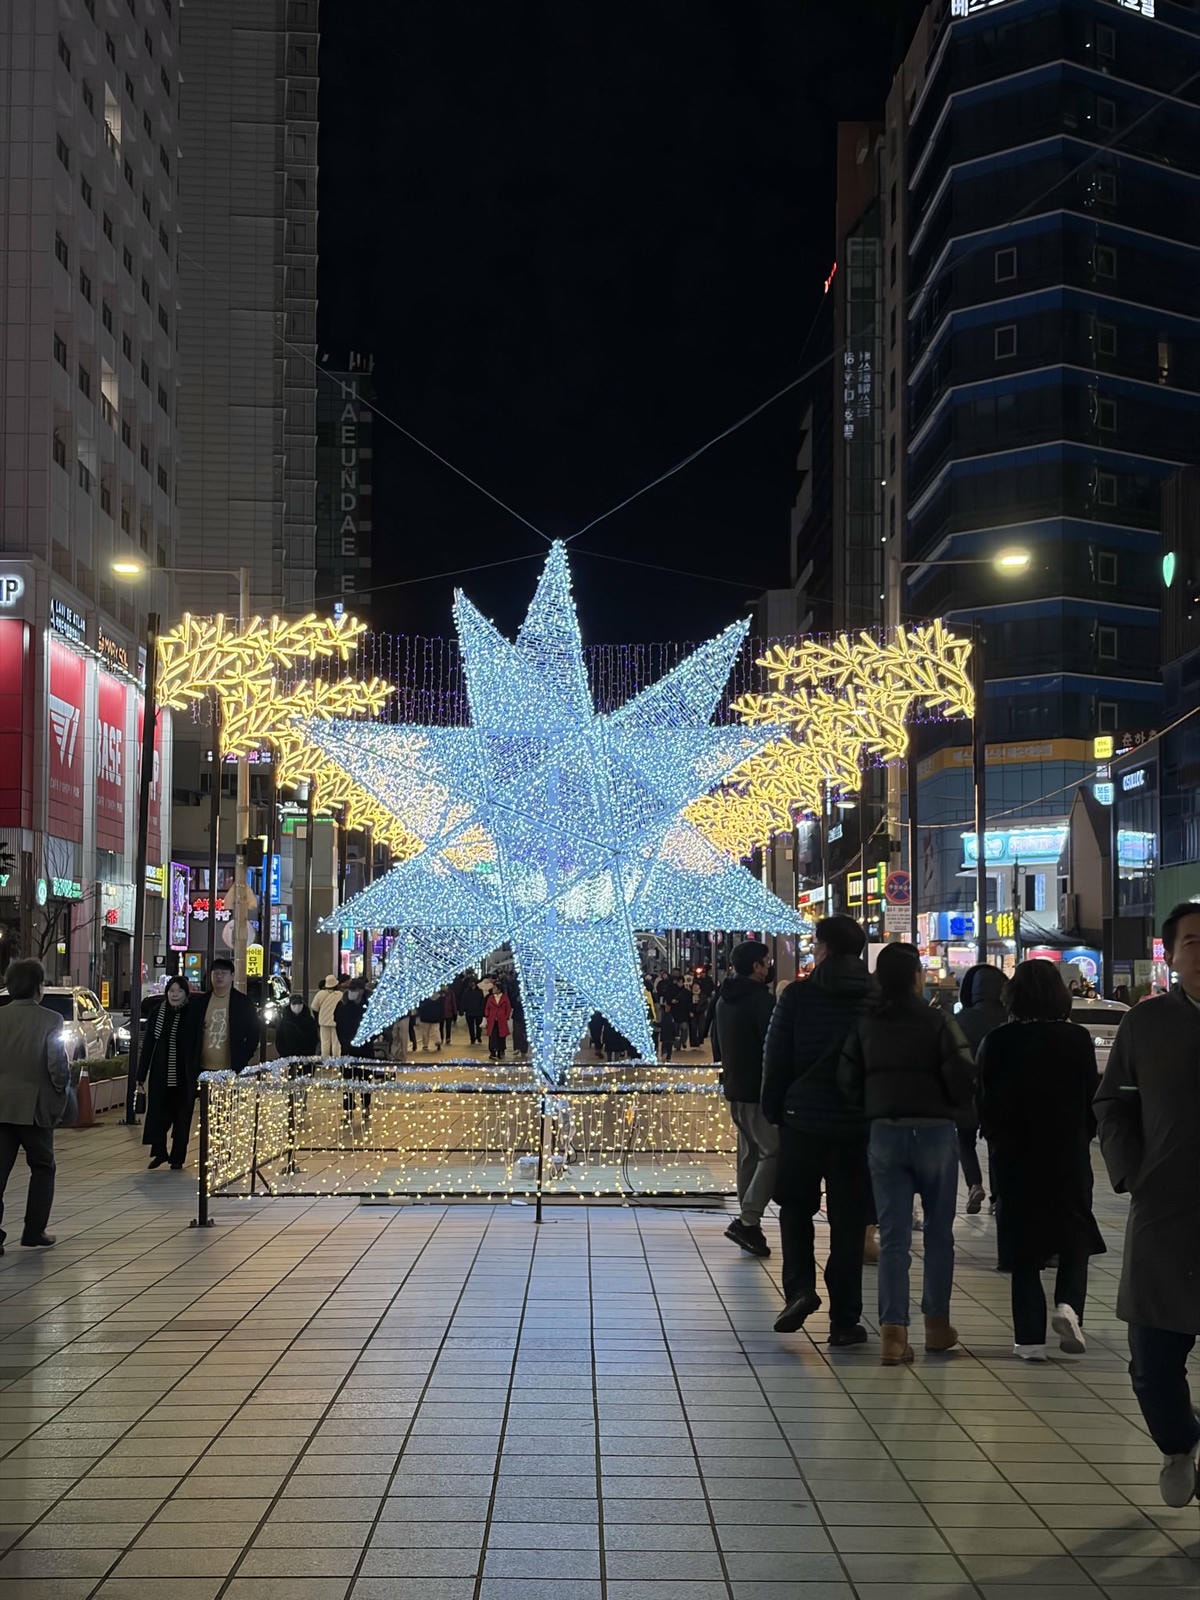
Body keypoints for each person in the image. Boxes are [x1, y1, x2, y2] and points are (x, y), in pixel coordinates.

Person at [1095, 902, 1200, 1508]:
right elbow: (1114, 1103)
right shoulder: (1147, 1023)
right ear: (1172, 955)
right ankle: (1178, 1442)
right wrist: (1132, 1170)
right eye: (1192, 941)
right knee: (1152, 1362)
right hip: (1165, 1208)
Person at [838, 941, 975, 1365]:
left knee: (894, 1236)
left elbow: (846, 1077)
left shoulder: (866, 1025)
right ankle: (937, 1325)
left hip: (886, 1132)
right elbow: (963, 1071)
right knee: (938, 1232)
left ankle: (893, 1334)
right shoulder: (937, 1023)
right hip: (934, 1132)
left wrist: (872, 1108)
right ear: (916, 977)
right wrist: (952, 1107)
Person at [978, 959, 1104, 1361]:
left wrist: (996, 1138)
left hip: (1015, 1155)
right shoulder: (1077, 1039)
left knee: (1023, 1245)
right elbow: (1092, 1099)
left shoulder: (998, 1041)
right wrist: (1083, 1135)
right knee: (1073, 1234)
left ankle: (1029, 1339)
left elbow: (985, 1101)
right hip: (1066, 1151)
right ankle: (1068, 1306)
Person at [761, 916, 873, 1344]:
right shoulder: (876, 998)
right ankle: (845, 1319)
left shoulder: (799, 996)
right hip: (857, 1125)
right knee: (849, 1220)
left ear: (824, 948)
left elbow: (776, 1059)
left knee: (795, 1207)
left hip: (803, 1121)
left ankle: (800, 1289)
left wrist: (775, 1110)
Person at [0, 958, 71, 1249]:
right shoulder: (50, 1020)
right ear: (38, 987)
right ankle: (33, 1230)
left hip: (1, 1107)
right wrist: (60, 1094)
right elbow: (57, 1066)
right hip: (34, 1109)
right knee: (43, 1167)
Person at [714, 940, 777, 1260]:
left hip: (735, 1086)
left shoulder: (724, 999)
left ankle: (749, 1221)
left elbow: (716, 1042)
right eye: (767, 962)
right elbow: (772, 1046)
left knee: (749, 1153)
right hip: (757, 1090)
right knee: (773, 1152)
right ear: (756, 966)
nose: (769, 967)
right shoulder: (760, 1002)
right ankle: (748, 1220)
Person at [955, 963, 1008, 1214]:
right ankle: (998, 1196)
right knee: (997, 1143)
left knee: (964, 1140)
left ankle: (974, 1183)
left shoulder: (961, 1019)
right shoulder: (1009, 1018)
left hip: (966, 1091)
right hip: (1000, 1092)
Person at [139, 976, 199, 1170]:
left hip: (184, 1077)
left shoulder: (192, 1013)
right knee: (158, 1115)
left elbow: (197, 1045)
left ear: (185, 994)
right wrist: (141, 1075)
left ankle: (177, 1157)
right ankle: (160, 1152)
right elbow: (149, 1044)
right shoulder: (158, 1012)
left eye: (179, 991)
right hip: (161, 1075)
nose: (174, 994)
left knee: (182, 1119)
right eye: (171, 991)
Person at [196, 958, 261, 1077]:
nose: (219, 976)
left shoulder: (242, 1003)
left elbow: (253, 1034)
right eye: (216, 973)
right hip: (202, 1069)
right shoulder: (200, 1002)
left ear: (232, 976)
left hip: (232, 1069)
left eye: (223, 973)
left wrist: (242, 1059)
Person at [335, 979, 374, 1119]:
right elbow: (338, 1025)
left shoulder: (369, 1005)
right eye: (351, 989)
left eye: (355, 990)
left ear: (362, 991)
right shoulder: (342, 1004)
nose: (352, 992)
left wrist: (367, 1040)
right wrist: (344, 1042)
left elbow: (374, 1028)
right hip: (347, 1050)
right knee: (348, 1082)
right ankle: (348, 1110)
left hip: (365, 1050)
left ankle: (366, 1107)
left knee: (365, 1081)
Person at [274, 992, 320, 1059]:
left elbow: (314, 1038)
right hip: (288, 1056)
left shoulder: (309, 1020)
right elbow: (279, 1039)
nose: (297, 1006)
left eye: (300, 1004)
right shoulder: (284, 1021)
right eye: (294, 1004)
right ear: (290, 1005)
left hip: (306, 1056)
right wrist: (284, 1053)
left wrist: (310, 1052)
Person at [311, 974, 341, 1057]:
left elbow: (314, 1007)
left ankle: (325, 1060)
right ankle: (336, 1060)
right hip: (336, 1022)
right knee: (336, 1042)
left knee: (325, 1042)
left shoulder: (320, 994)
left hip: (323, 1022)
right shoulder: (340, 995)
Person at [485, 982, 511, 1059]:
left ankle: (500, 1050)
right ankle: (492, 1051)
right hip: (492, 1020)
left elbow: (508, 1008)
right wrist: (487, 1015)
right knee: (492, 1036)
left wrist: (506, 1016)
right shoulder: (490, 998)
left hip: (501, 1020)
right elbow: (487, 1007)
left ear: (499, 989)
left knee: (501, 1036)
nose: (493, 989)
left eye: (494, 988)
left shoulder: (505, 998)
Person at [461, 975, 485, 1046]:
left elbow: (482, 1001)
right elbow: (463, 1001)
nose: (472, 984)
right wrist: (462, 1009)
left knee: (478, 1026)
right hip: (469, 1011)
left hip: (478, 1011)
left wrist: (482, 1010)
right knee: (470, 1026)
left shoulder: (480, 991)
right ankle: (472, 1038)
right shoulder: (466, 992)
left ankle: (478, 1036)